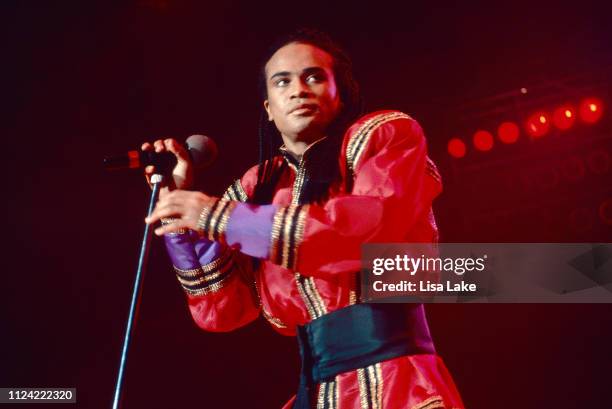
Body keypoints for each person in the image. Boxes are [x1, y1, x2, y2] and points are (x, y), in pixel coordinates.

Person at [143, 29, 464, 409]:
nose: (298, 89)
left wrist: (220, 217)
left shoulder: (383, 136)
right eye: (283, 81)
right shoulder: (257, 185)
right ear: (268, 107)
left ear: (339, 91)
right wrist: (179, 209)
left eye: (313, 77)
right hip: (318, 393)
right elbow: (220, 310)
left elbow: (363, 232)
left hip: (397, 385)